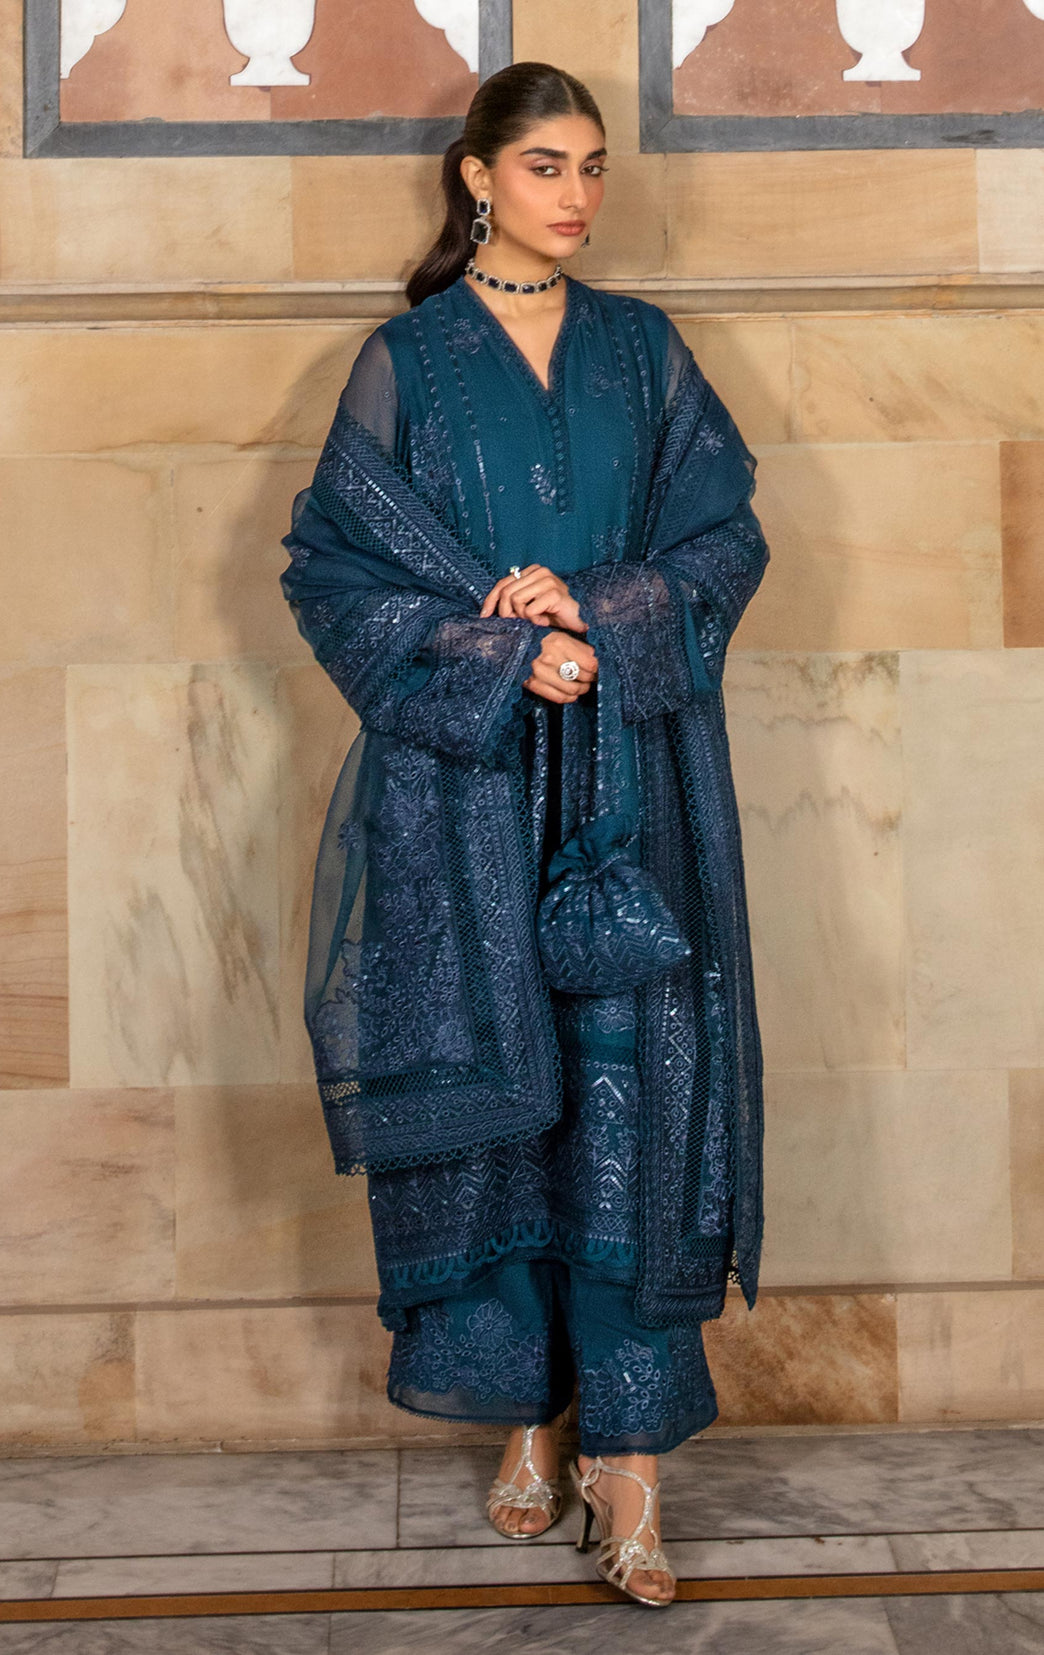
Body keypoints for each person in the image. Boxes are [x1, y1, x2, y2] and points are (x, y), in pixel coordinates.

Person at [278, 61, 769, 1609]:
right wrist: (504, 653)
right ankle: (531, 1406)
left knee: (641, 1092)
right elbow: (330, 574)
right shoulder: (407, 363)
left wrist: (602, 616)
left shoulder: (645, 351)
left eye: (595, 167)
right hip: (470, 793)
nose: (576, 194)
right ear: (476, 175)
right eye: (547, 165)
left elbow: (726, 539)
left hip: (635, 791)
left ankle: (629, 1455)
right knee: (507, 1103)